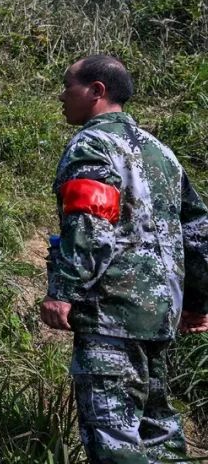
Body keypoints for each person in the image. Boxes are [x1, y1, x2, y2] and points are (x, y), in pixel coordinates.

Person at [41, 54, 208, 463]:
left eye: (69, 86)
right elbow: (199, 232)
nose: (62, 96)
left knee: (113, 435)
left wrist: (64, 290)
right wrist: (197, 303)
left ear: (97, 91)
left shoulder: (93, 143)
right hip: (159, 316)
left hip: (111, 315)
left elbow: (90, 221)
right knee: (158, 433)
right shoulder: (162, 153)